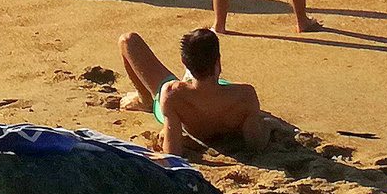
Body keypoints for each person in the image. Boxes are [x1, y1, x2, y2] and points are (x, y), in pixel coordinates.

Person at [118, 28, 291, 156]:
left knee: (127, 41)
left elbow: (173, 153)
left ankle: (144, 100)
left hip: (185, 102)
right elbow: (255, 144)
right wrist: (267, 126)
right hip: (224, 97)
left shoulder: (171, 94)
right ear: (218, 61)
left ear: (184, 63)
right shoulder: (245, 95)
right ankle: (198, 74)